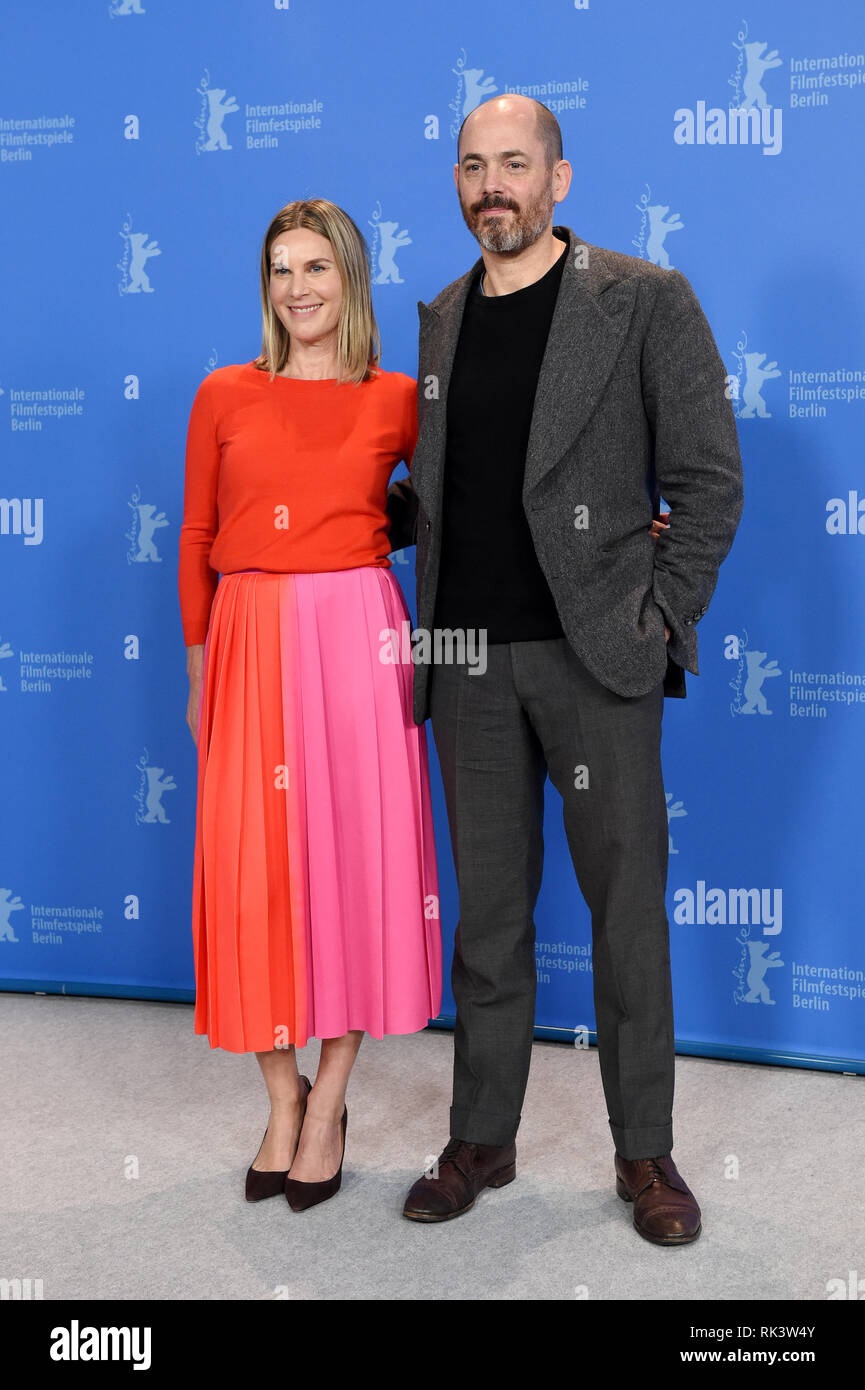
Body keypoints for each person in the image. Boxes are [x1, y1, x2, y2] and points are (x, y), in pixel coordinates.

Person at [389, 95, 743, 1242]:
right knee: (488, 919)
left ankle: (645, 1154)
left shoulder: (641, 298)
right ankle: (481, 1137)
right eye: (473, 165)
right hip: (469, 665)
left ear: (559, 179)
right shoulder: (440, 317)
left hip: (597, 660)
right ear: (456, 181)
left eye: (515, 164)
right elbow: (452, 493)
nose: (492, 184)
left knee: (624, 915)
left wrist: (659, 616)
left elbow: (708, 481)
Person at [178, 198, 442, 1213]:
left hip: (357, 643)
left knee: (351, 872)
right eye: (281, 270)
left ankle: (328, 1100)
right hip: (246, 641)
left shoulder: (392, 399)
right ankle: (277, 1098)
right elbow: (198, 535)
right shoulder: (221, 394)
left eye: (317, 268)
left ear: (351, 281)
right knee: (261, 881)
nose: (298, 288)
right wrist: (201, 673)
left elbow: (462, 507)